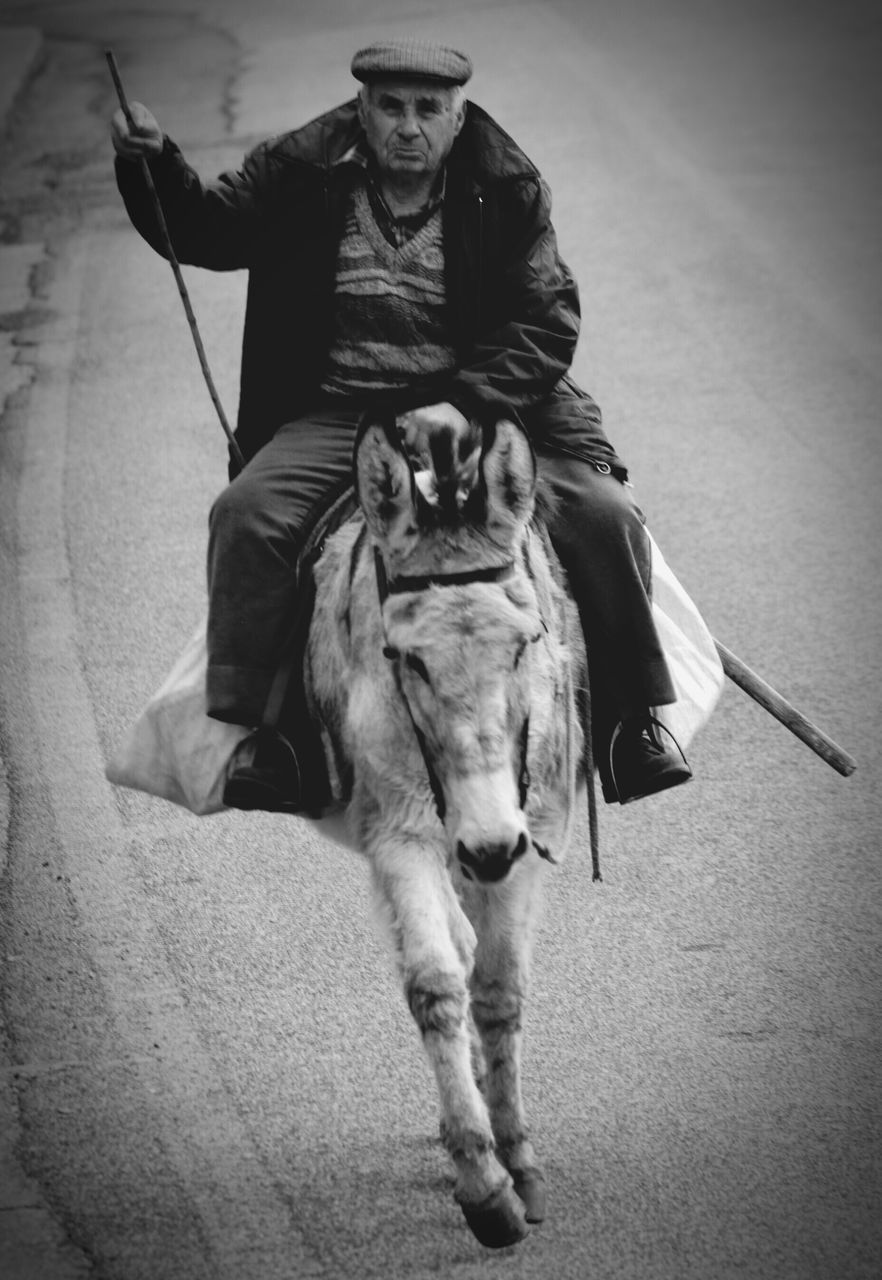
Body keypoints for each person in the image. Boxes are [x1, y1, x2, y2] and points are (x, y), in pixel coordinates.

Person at [111, 38, 692, 812]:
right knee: (245, 517)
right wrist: (151, 164)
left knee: (604, 514)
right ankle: (272, 736)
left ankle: (631, 725)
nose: (408, 126)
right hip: (343, 408)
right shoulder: (302, 169)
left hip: (482, 406)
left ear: (457, 119)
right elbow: (208, 230)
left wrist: (468, 399)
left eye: (428, 110)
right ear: (362, 110)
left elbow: (547, 320)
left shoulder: (505, 184)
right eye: (390, 107)